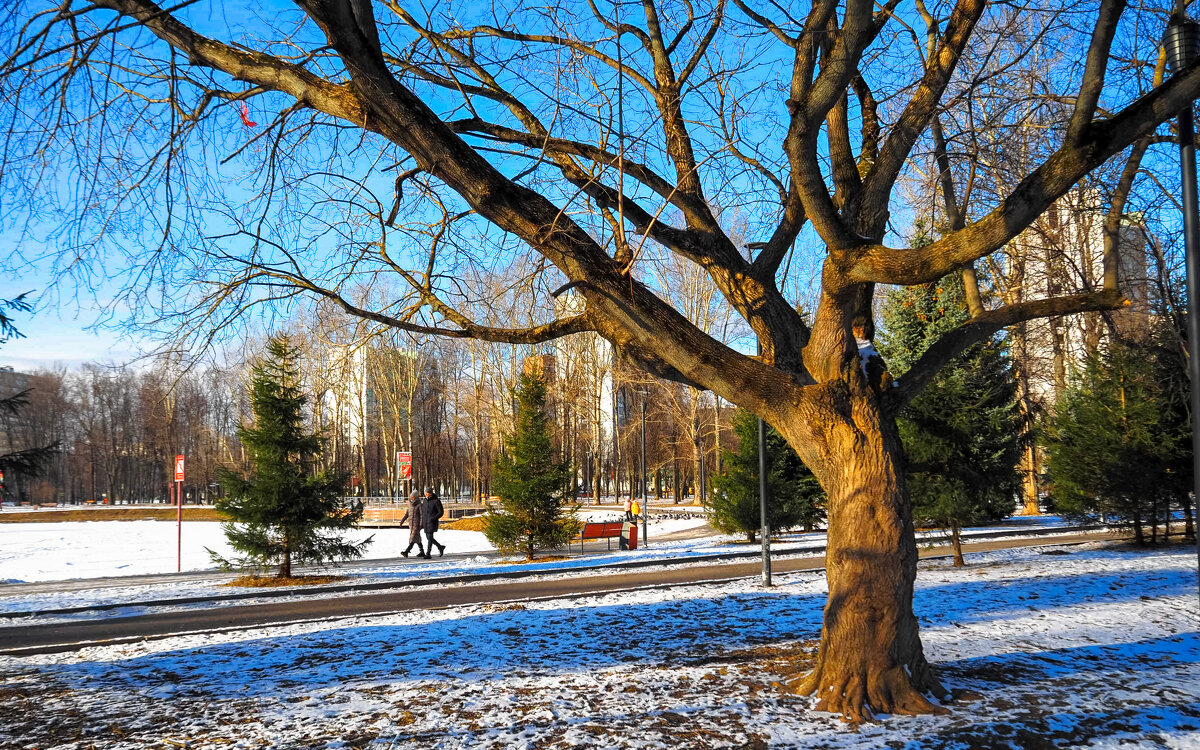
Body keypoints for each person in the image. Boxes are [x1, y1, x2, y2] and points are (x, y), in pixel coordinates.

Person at [421, 486, 446, 558]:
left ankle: (428, 553)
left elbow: (441, 512)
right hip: (425, 522)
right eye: (425, 493)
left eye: (427, 493)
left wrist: (434, 518)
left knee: (430, 537)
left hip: (432, 522)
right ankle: (440, 547)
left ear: (430, 493)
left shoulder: (436, 501)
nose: (426, 494)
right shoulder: (425, 501)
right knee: (429, 538)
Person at [398, 491, 425, 558]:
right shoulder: (410, 505)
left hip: (417, 524)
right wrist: (402, 521)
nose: (411, 498)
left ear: (415, 497)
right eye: (411, 497)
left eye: (412, 497)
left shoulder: (419, 505)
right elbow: (407, 514)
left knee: (412, 538)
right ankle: (422, 551)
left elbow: (422, 515)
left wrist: (421, 524)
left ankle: (406, 551)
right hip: (411, 524)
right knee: (417, 538)